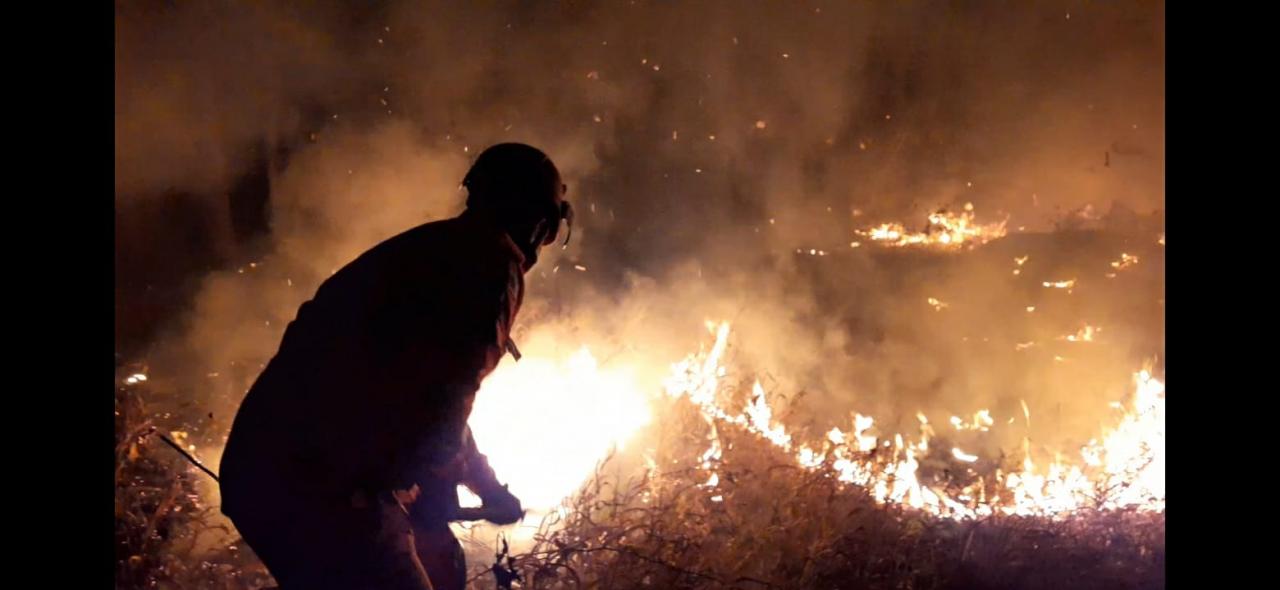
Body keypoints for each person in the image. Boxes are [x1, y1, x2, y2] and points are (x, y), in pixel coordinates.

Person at [218, 143, 572, 589]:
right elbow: (446, 398)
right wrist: (442, 490)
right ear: (540, 221)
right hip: (318, 482)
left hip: (273, 467)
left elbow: (435, 397)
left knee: (435, 561)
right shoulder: (491, 262)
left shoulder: (436, 248)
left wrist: (485, 487)